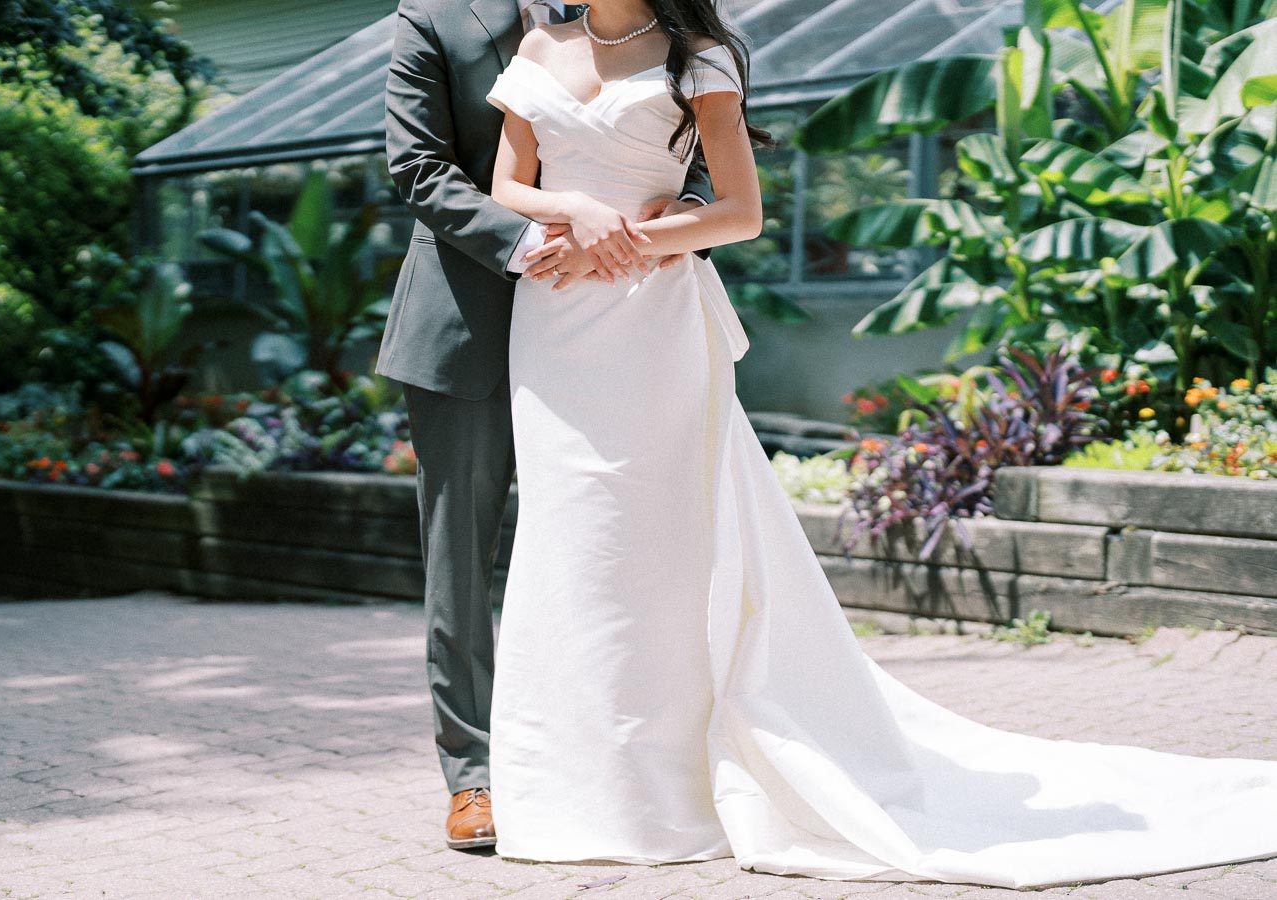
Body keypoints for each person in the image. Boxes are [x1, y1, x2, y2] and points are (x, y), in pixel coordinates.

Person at [481, 0, 1277, 886]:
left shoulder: (696, 55)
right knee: (569, 541)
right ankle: (568, 791)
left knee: (658, 546)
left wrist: (625, 242)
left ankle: (663, 791)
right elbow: (507, 185)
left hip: (650, 316)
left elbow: (741, 213)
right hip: (554, 322)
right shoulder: (539, 44)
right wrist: (576, 211)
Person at [377, 0, 718, 850]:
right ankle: (474, 778)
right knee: (461, 552)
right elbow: (418, 166)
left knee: (627, 542)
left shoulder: (656, 20)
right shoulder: (434, 18)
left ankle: (617, 756)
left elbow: (705, 161)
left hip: (627, 320)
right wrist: (541, 240)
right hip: (468, 319)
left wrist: (651, 238)